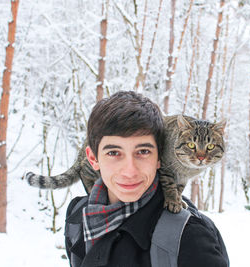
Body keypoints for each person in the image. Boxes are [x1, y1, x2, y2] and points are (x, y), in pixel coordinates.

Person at [64, 91, 229, 267]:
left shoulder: (190, 237)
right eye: (113, 153)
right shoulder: (78, 216)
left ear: (160, 157)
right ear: (93, 159)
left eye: (143, 152)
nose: (130, 171)